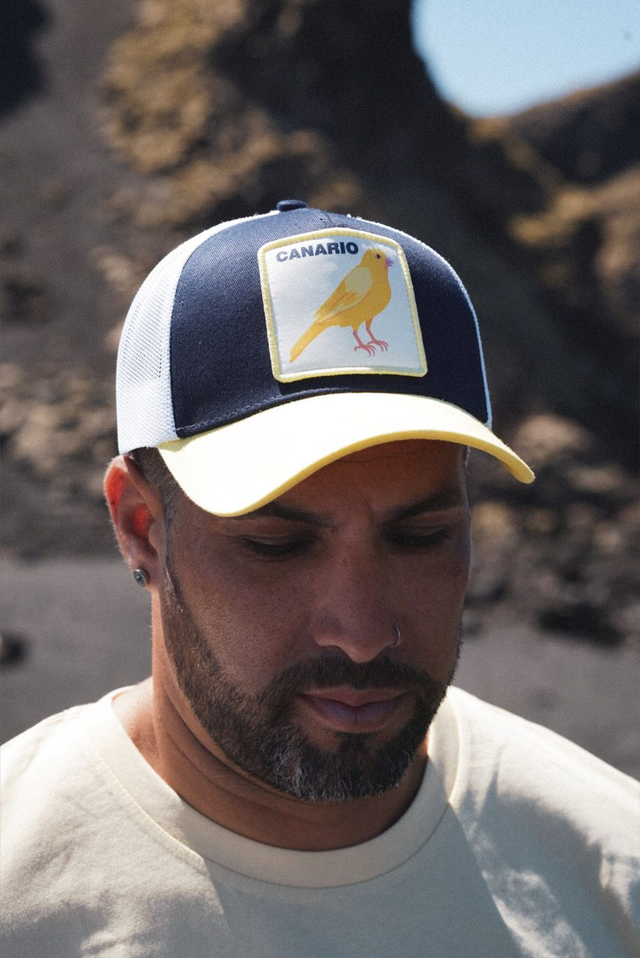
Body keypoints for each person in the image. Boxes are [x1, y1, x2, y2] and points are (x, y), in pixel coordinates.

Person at [2, 200, 638, 957]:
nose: (363, 634)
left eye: (421, 537)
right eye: (275, 545)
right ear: (142, 527)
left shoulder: (613, 865)